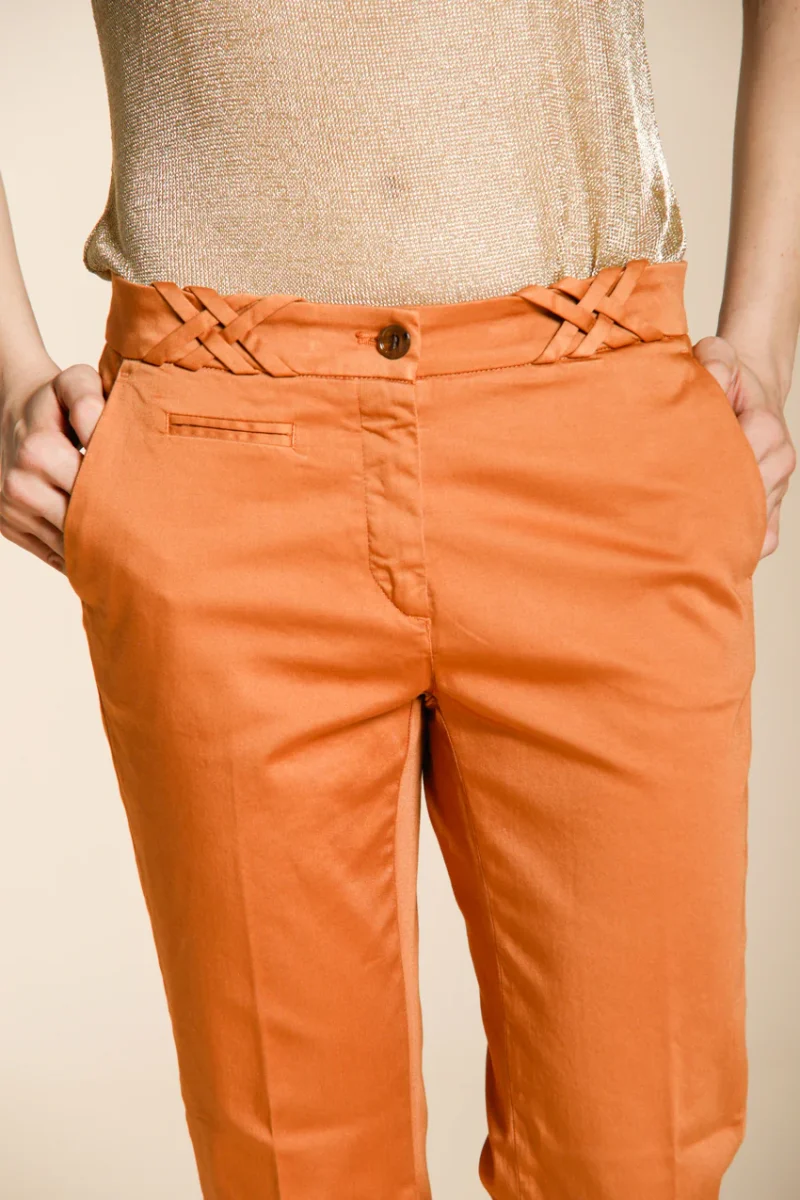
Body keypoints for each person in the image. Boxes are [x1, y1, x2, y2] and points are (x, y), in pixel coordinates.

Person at [1, 2, 797, 1197]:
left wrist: (765, 341)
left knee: (637, 1156)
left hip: (600, 432)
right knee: (293, 1170)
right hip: (221, 444)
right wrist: (6, 374)